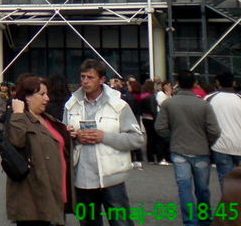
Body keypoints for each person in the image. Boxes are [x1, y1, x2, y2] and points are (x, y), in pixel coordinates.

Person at [63, 59, 144, 226]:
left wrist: (104, 137)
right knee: (88, 223)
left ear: (102, 80)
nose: (85, 81)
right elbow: (63, 137)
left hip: (111, 177)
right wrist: (73, 136)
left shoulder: (119, 105)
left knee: (121, 222)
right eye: (83, 77)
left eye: (90, 77)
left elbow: (137, 139)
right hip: (82, 178)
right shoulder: (71, 105)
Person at [155, 70, 221, 226]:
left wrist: (171, 137)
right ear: (194, 84)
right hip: (201, 150)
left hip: (178, 149)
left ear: (178, 83)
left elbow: (160, 127)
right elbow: (215, 131)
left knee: (184, 187)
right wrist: (207, 142)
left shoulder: (169, 104)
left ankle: (190, 220)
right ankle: (204, 219)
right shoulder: (203, 104)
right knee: (202, 188)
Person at [6, 74, 73, 226]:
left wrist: (68, 134)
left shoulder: (48, 119)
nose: (47, 98)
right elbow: (16, 142)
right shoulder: (19, 119)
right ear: (28, 97)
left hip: (54, 190)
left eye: (47, 94)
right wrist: (17, 114)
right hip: (33, 196)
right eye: (42, 94)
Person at [206, 71, 241, 190]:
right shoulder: (239, 98)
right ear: (234, 83)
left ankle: (229, 201)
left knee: (225, 180)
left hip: (220, 145)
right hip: (239, 145)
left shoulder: (210, 98)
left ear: (217, 82)